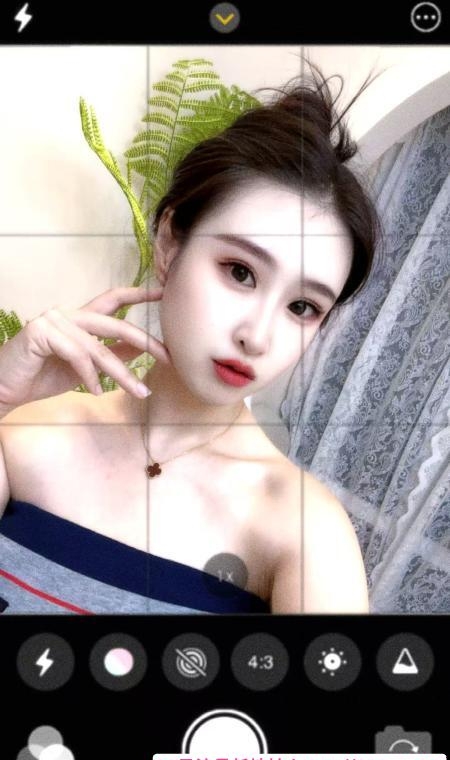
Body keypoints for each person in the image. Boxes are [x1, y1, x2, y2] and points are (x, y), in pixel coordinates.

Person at [0, 64, 379, 615]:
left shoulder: (303, 531)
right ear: (169, 243)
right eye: (240, 272)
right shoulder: (27, 437)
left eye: (302, 307)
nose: (257, 335)